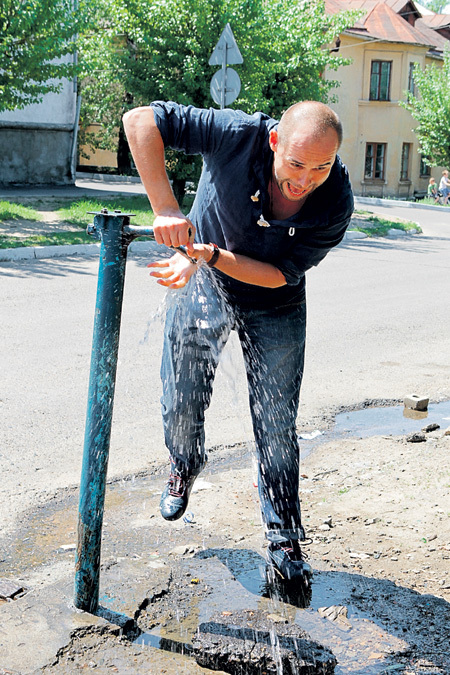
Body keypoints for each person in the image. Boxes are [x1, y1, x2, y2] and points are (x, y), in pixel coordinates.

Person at [123, 100, 354, 585]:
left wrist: (213, 254)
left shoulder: (335, 200)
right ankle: (184, 463)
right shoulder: (237, 134)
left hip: (275, 298)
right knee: (182, 398)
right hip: (202, 278)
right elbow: (140, 121)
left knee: (276, 420)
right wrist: (165, 208)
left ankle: (283, 537)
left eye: (320, 166)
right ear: (274, 142)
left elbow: (277, 276)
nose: (304, 179)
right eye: (295, 163)